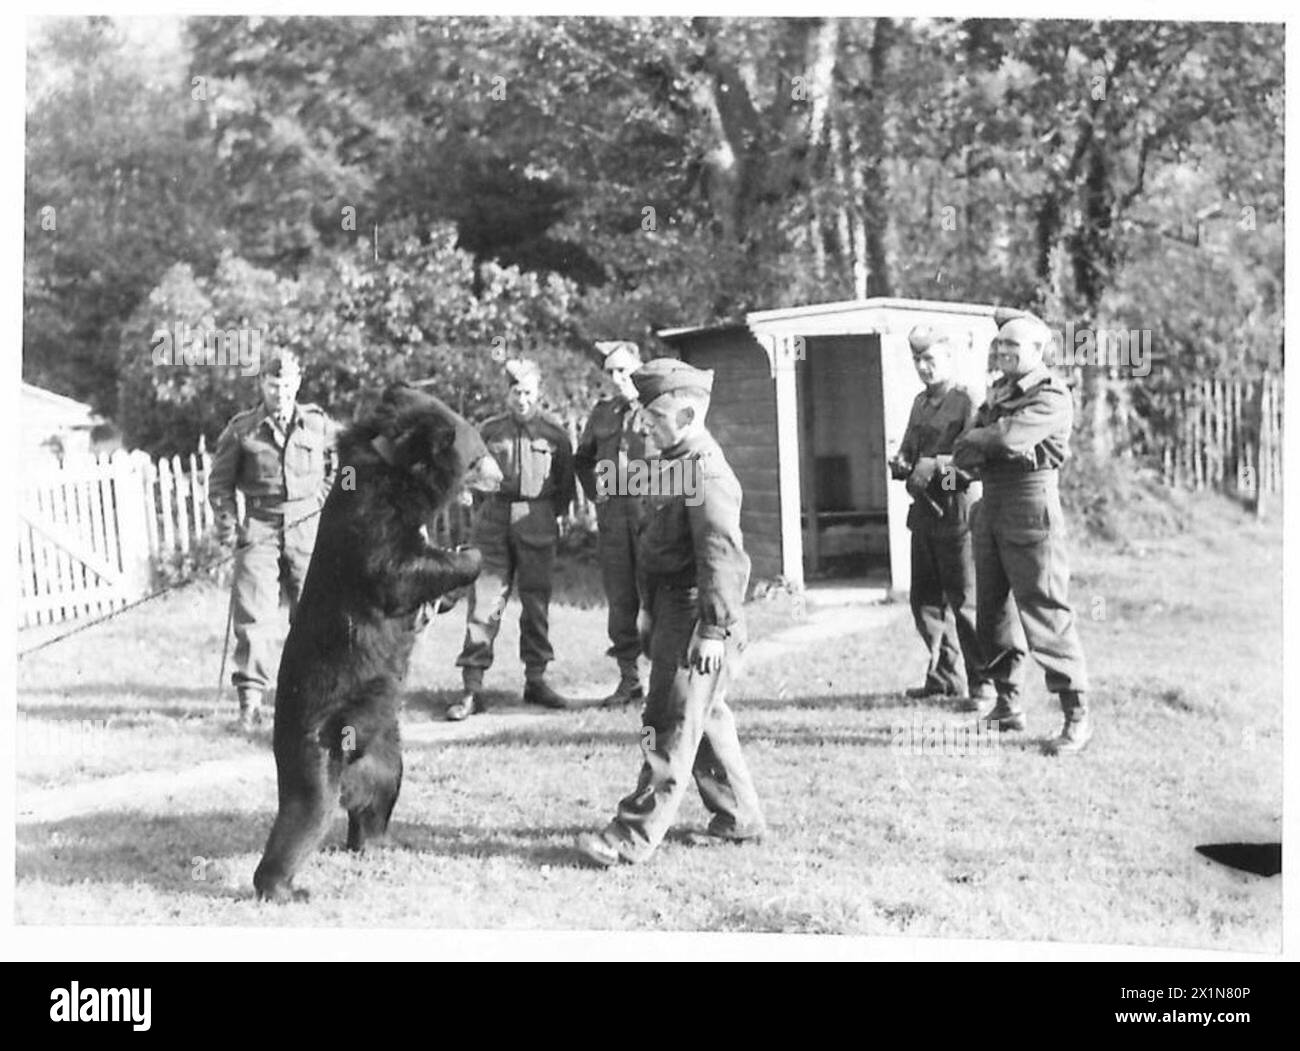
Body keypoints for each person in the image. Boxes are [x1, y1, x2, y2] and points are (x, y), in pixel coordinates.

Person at [576, 358, 765, 868]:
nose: (645, 427)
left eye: (655, 418)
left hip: (698, 616)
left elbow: (722, 560)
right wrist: (646, 615)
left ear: (685, 416)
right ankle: (738, 816)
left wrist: (712, 630)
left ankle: (629, 837)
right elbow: (655, 545)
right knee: (703, 718)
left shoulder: (707, 472)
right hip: (670, 610)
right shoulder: (673, 462)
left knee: (668, 722)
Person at [953, 315, 1093, 755]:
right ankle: (1008, 704)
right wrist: (982, 440)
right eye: (999, 345)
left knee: (1045, 610)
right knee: (989, 611)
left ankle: (1076, 715)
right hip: (990, 505)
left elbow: (1009, 439)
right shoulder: (998, 392)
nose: (1003, 352)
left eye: (1013, 345)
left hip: (1031, 507)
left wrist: (983, 439)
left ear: (1039, 349)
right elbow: (965, 448)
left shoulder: (1052, 394)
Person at [208, 348, 338, 730]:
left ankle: (312, 702)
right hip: (260, 526)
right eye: (272, 383)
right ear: (261, 384)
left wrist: (321, 504)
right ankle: (250, 702)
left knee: (314, 615)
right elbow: (220, 485)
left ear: (297, 383)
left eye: (286, 384)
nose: (280, 392)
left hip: (306, 524)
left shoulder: (318, 426)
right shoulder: (242, 429)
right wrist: (230, 529)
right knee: (255, 617)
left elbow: (341, 468)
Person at [448, 357, 576, 720]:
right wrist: (483, 513)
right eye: (516, 392)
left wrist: (549, 516)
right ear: (506, 394)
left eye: (528, 393)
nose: (522, 399)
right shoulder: (489, 432)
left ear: (539, 394)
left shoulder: (554, 435)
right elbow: (468, 477)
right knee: (484, 603)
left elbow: (565, 485)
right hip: (494, 521)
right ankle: (472, 688)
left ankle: (536, 680)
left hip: (537, 519)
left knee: (536, 604)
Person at [887, 326, 993, 711]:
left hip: (958, 511)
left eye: (930, 358)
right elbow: (909, 450)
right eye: (918, 360)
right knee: (925, 600)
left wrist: (934, 470)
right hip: (925, 515)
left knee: (965, 602)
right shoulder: (920, 403)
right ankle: (945, 677)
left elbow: (973, 462)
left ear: (949, 358)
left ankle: (984, 687)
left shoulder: (968, 401)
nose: (923, 367)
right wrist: (902, 464)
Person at [574, 339, 652, 708]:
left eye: (624, 369)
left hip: (651, 519)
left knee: (660, 597)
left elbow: (680, 461)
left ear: (640, 366)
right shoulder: (602, 413)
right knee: (621, 600)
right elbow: (582, 459)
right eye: (611, 372)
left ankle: (667, 681)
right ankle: (630, 681)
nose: (618, 377)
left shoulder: (659, 408)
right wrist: (596, 494)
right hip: (614, 521)